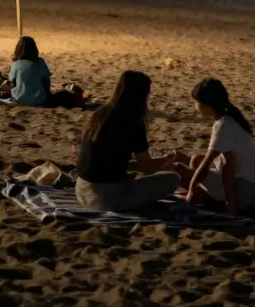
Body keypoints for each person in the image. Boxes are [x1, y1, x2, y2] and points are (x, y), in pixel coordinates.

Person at [75, 71, 181, 212]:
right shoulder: (133, 121)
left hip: (81, 191)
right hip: (107, 198)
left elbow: (107, 162)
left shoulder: (100, 114)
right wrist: (166, 161)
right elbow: (147, 168)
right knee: (173, 178)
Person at [173, 78, 255, 216]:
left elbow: (221, 167)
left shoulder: (224, 125)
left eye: (196, 101)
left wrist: (191, 190)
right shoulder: (232, 118)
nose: (195, 105)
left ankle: (204, 197)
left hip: (244, 191)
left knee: (179, 170)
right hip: (251, 188)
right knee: (195, 160)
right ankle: (205, 196)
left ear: (207, 105)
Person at [9, 36, 84, 108]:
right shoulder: (40, 62)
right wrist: (48, 94)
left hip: (18, 99)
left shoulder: (15, 64)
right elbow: (46, 81)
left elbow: (13, 83)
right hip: (38, 99)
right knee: (63, 94)